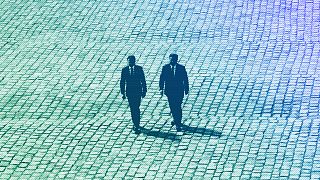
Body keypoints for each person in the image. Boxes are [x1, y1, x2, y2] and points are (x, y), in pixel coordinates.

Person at [159, 53, 189, 131]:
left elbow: (185, 79)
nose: (172, 61)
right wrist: (161, 88)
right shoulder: (165, 68)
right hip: (169, 91)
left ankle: (178, 123)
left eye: (173, 59)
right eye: (171, 59)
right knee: (172, 106)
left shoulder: (181, 68)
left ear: (176, 60)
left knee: (178, 106)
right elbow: (162, 78)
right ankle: (175, 119)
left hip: (179, 91)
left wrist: (186, 89)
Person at [120, 55, 147, 133]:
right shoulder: (124, 70)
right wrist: (123, 92)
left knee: (136, 108)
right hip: (129, 92)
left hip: (138, 92)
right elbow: (122, 82)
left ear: (134, 62)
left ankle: (136, 123)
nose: (130, 63)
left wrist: (144, 91)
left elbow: (143, 80)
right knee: (133, 109)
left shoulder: (139, 69)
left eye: (132, 61)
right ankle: (135, 124)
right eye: (129, 61)